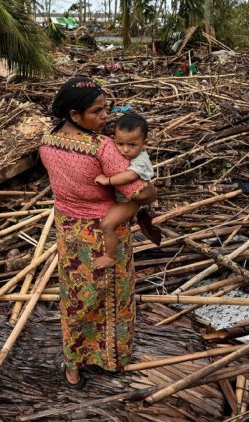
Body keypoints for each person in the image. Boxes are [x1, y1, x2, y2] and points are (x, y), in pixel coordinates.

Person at [39, 77, 158, 388]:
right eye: (97, 111)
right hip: (105, 232)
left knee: (76, 298)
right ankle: (112, 359)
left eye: (107, 108)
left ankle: (73, 364)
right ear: (75, 116)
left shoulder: (46, 143)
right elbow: (137, 192)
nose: (106, 116)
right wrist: (153, 190)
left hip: (68, 232)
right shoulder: (102, 148)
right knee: (114, 297)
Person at [93, 113, 154, 269]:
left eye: (132, 145)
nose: (125, 150)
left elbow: (130, 175)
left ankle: (110, 256)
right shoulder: (121, 150)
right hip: (125, 199)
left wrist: (108, 180)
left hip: (131, 201)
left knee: (107, 225)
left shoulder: (141, 160)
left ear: (144, 143)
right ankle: (132, 218)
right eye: (120, 144)